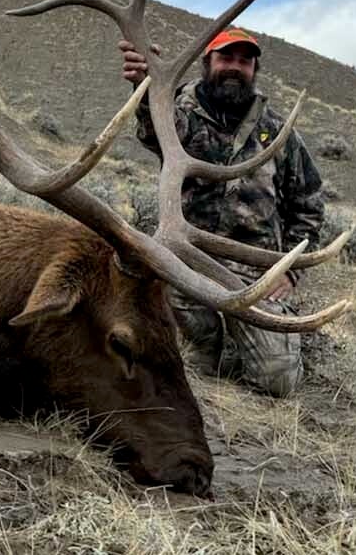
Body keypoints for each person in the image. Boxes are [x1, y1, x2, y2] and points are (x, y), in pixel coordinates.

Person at [120, 27, 326, 397]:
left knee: (278, 383)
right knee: (191, 366)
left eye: (244, 60)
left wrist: (290, 272)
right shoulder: (181, 113)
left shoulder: (277, 130)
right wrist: (147, 89)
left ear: (254, 69)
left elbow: (309, 203)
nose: (235, 66)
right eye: (226, 57)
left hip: (252, 270)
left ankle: (243, 340)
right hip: (187, 262)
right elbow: (155, 131)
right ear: (207, 63)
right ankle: (214, 345)